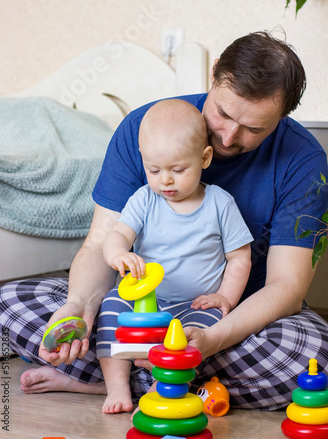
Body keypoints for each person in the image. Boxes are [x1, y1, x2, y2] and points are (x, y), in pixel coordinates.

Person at [0, 31, 327, 411]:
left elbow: (287, 286)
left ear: (282, 117)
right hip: (141, 312)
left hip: (228, 320)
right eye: (223, 113)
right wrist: (81, 307)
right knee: (10, 300)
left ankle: (110, 380)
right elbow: (102, 239)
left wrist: (212, 339)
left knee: (312, 352)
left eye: (254, 129)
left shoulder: (304, 161)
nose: (229, 136)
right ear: (215, 74)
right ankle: (172, 383)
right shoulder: (144, 128)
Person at [97, 99, 253, 413]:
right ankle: (116, 388)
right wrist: (117, 255)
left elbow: (240, 257)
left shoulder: (219, 204)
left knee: (204, 330)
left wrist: (225, 298)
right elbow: (117, 234)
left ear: (205, 158)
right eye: (154, 170)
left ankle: (160, 393)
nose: (165, 180)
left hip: (196, 303)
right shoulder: (144, 198)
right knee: (110, 306)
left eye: (178, 170)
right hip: (146, 301)